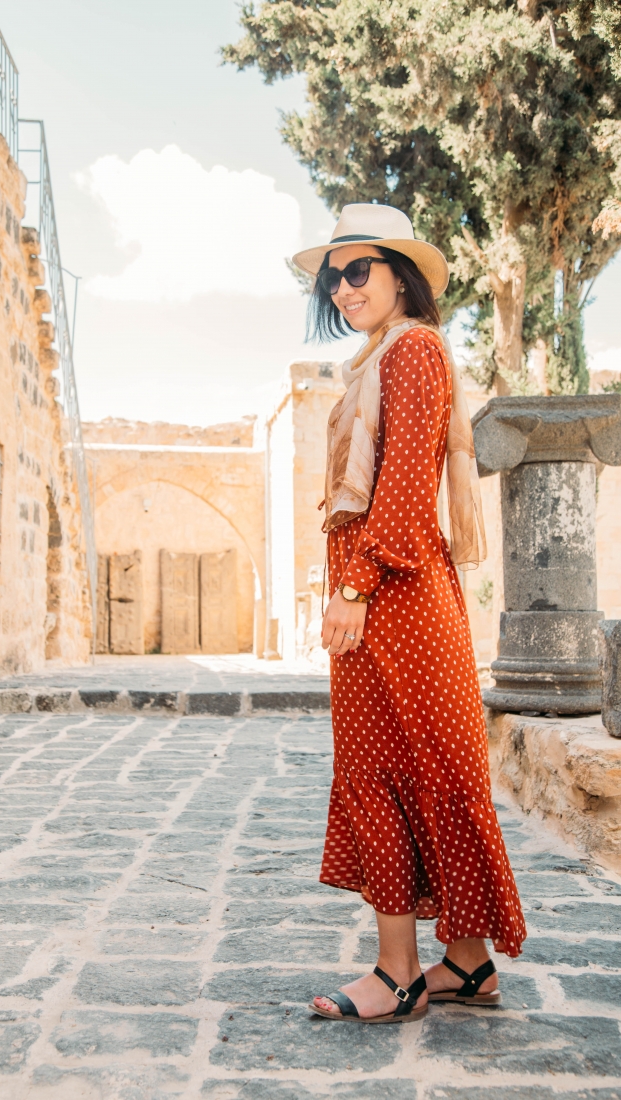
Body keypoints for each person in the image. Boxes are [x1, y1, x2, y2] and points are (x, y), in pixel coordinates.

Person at [291, 204, 526, 1025]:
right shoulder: (377, 358)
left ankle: (398, 974)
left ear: (401, 275)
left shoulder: (414, 350)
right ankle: (466, 964)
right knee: (417, 765)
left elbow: (396, 492)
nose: (344, 286)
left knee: (390, 767)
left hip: (391, 591)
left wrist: (351, 588)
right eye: (335, 275)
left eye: (360, 269)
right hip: (387, 587)